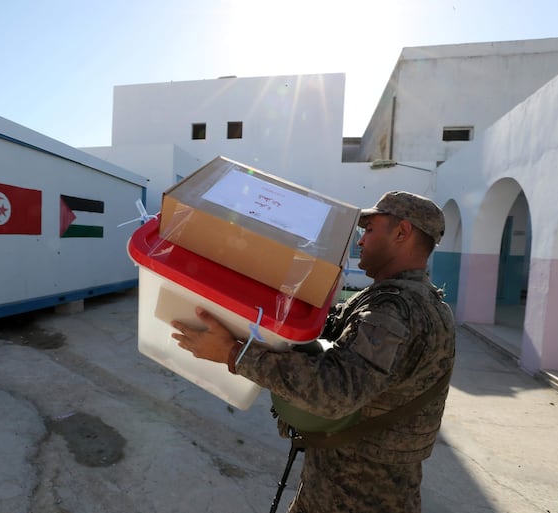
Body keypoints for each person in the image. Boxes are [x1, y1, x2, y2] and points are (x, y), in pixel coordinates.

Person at [171, 191, 456, 513]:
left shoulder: (394, 309)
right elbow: (333, 337)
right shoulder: (416, 300)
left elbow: (334, 392)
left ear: (402, 232)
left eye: (370, 230)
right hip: (352, 476)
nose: (360, 242)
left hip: (359, 491)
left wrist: (233, 354)